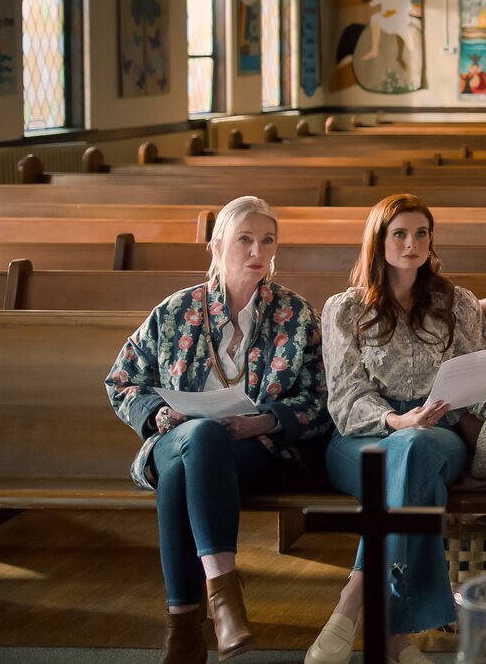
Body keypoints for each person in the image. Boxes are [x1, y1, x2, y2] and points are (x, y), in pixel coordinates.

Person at [307, 194, 486, 664]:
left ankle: (353, 598)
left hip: (438, 436)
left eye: (421, 233)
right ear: (378, 241)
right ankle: (394, 639)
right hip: (360, 439)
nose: (412, 243)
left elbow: (479, 391)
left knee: (415, 449)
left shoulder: (457, 303)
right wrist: (396, 420)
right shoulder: (344, 310)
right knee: (408, 463)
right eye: (400, 234)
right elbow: (345, 397)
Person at [105, 196, 328, 664]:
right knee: (198, 439)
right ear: (216, 246)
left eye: (267, 240)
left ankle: (183, 632)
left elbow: (320, 399)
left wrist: (263, 421)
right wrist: (163, 417)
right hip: (173, 438)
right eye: (244, 239)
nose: (257, 250)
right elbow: (122, 380)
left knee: (183, 475)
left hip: (255, 450)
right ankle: (224, 598)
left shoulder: (296, 314)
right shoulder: (174, 312)